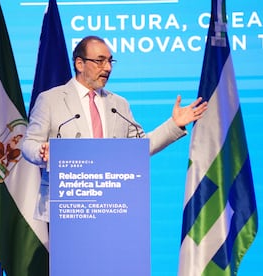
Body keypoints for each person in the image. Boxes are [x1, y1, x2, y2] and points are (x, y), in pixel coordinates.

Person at [22, 35, 208, 222]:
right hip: (67, 205)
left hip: (112, 205)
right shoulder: (51, 100)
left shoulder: (118, 104)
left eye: (110, 61)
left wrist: (174, 124)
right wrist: (42, 151)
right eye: (100, 61)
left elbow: (141, 147)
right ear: (80, 64)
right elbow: (29, 143)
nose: (108, 68)